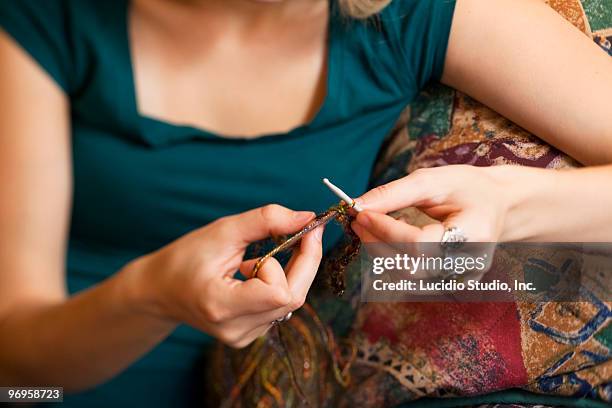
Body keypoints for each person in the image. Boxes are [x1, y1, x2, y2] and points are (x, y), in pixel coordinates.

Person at [0, 0, 610, 406]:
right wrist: (148, 296)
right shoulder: (43, 17)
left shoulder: (419, 12)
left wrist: (507, 202)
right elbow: (19, 364)